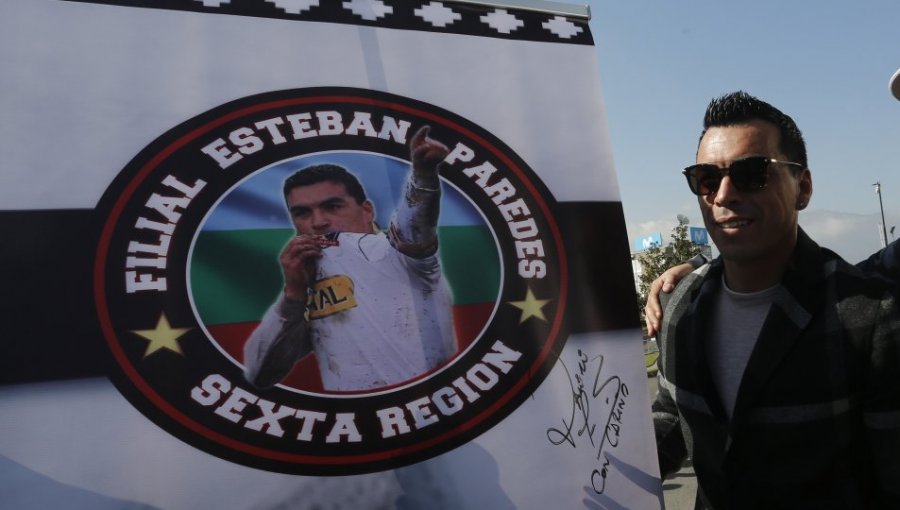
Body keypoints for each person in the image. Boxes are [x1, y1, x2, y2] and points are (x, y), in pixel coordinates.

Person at [651, 91, 900, 509]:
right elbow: (674, 415)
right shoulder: (679, 308)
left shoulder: (871, 316)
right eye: (707, 178)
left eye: (752, 174)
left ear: (802, 187)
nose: (724, 195)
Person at [243, 125, 457, 392]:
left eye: (332, 206)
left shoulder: (396, 253)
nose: (318, 222)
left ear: (367, 211)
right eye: (301, 213)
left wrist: (423, 178)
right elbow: (258, 373)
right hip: (359, 424)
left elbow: (414, 227)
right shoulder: (307, 279)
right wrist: (293, 294)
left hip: (431, 413)